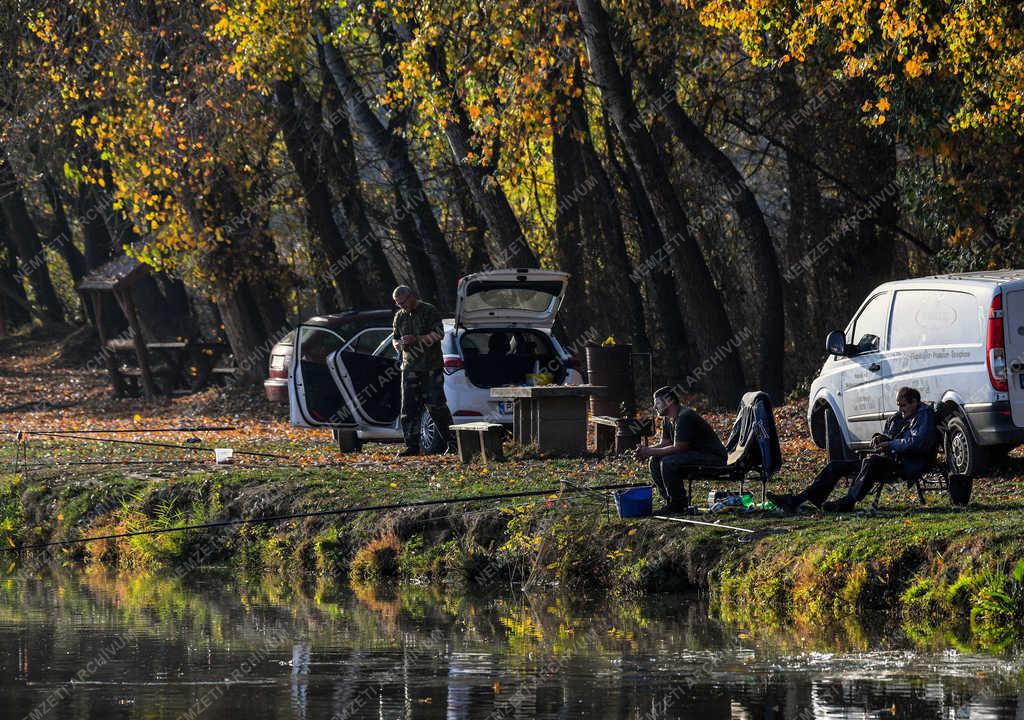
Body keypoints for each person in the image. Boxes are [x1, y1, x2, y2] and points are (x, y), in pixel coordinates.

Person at [767, 386, 937, 513]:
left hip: (906, 464)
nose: (900, 409)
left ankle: (848, 502)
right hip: (887, 460)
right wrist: (881, 439)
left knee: (872, 461)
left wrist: (890, 445)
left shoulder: (924, 415)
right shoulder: (902, 417)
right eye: (899, 405)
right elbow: (892, 436)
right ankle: (797, 500)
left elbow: (917, 442)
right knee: (835, 466)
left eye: (904, 405)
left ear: (914, 402)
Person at [635, 386, 727, 513]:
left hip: (713, 457)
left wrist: (649, 451)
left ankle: (678, 503)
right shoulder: (667, 419)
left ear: (669, 402)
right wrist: (646, 451)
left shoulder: (684, 416)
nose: (655, 407)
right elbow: (665, 443)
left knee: (668, 462)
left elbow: (679, 448)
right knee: (654, 461)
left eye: (658, 403)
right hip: (693, 454)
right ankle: (670, 501)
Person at [392, 285, 456, 456]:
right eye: (398, 304)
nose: (401, 307)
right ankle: (412, 446)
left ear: (412, 297)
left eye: (403, 303)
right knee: (409, 409)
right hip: (409, 368)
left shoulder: (429, 311)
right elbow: (395, 339)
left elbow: (439, 334)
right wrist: (399, 345)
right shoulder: (400, 316)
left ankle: (453, 443)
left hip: (430, 368)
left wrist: (416, 339)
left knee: (437, 406)